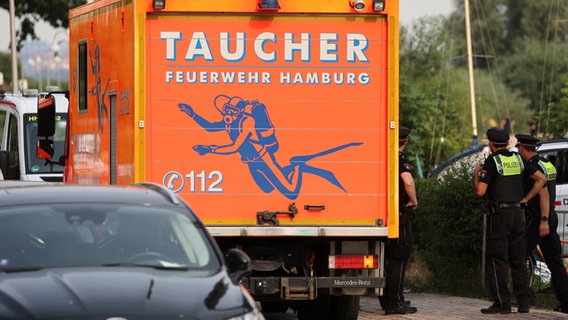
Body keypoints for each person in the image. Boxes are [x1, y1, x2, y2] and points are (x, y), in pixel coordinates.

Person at [473, 127, 547, 314]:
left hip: (500, 216)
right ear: (506, 143)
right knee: (518, 260)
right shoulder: (518, 158)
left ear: (491, 144)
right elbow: (541, 178)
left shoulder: (492, 161)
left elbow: (480, 192)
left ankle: (502, 303)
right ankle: (523, 303)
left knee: (497, 258)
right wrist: (526, 199)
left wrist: (476, 173)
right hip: (517, 214)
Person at [515, 134, 568, 314]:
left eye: (518, 148)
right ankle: (566, 302)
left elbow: (543, 195)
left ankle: (527, 298)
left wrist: (543, 220)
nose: (517, 150)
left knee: (519, 255)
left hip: (540, 218)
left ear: (522, 148)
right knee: (555, 262)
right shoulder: (547, 164)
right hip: (549, 217)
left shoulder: (534, 168)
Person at [380, 125, 418, 315]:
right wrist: (413, 200)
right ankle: (394, 302)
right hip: (399, 216)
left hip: (382, 215)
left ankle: (389, 299)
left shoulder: (383, 155)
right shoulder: (399, 158)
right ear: (406, 141)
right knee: (399, 258)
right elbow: (408, 181)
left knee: (387, 260)